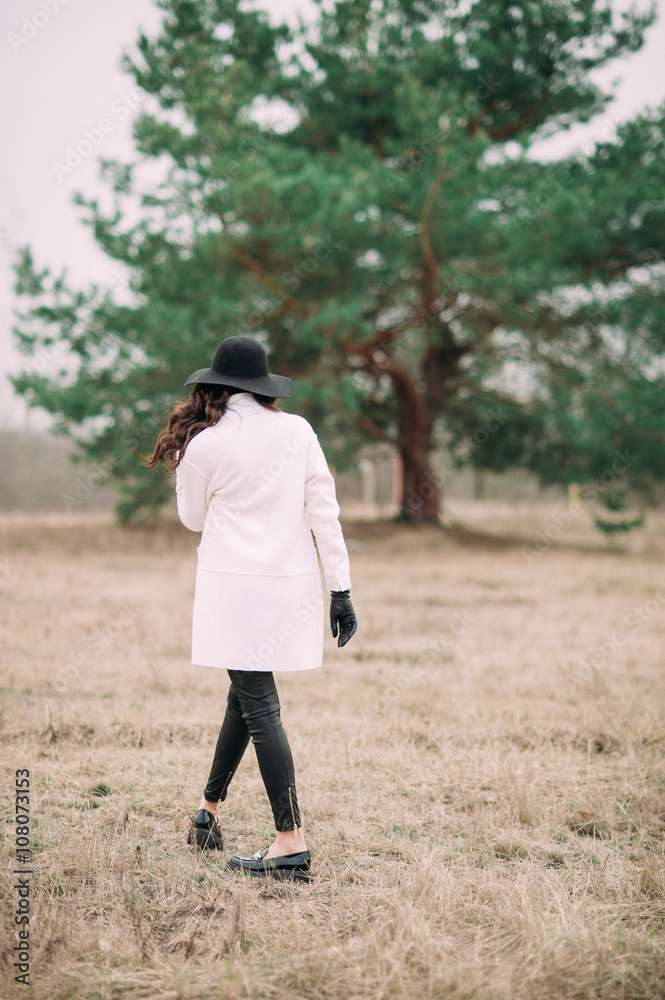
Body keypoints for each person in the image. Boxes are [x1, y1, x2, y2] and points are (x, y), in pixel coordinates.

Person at [144, 335, 357, 882]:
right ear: (264, 387)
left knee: (259, 704)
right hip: (289, 589)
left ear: (214, 385)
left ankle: (290, 843)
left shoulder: (206, 443)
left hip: (234, 592)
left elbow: (192, 519)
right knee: (246, 695)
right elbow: (325, 514)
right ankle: (207, 813)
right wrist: (341, 590)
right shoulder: (299, 431)